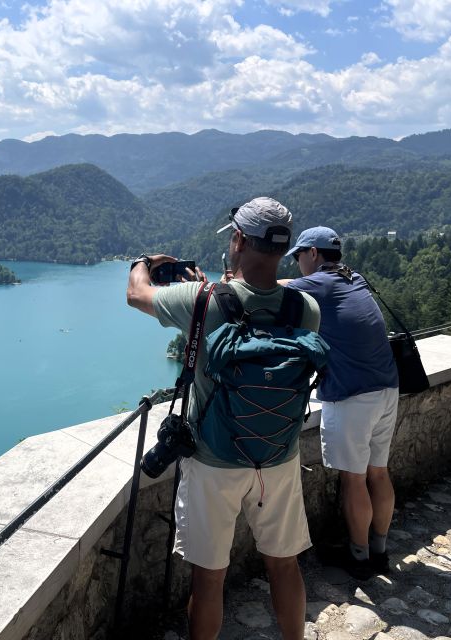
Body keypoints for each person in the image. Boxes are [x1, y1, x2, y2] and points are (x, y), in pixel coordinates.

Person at [126, 197, 320, 640]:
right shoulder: (306, 309)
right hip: (278, 457)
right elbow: (264, 308)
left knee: (209, 578)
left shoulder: (203, 300)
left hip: (213, 461)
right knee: (284, 566)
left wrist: (144, 262)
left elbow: (136, 293)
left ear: (237, 240)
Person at [282, 226, 399, 579]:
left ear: (313, 254)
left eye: (299, 256)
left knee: (353, 478)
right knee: (378, 472)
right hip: (387, 387)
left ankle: (358, 557)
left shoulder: (317, 283)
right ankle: (379, 550)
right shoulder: (353, 277)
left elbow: (267, 291)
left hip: (352, 394)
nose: (297, 264)